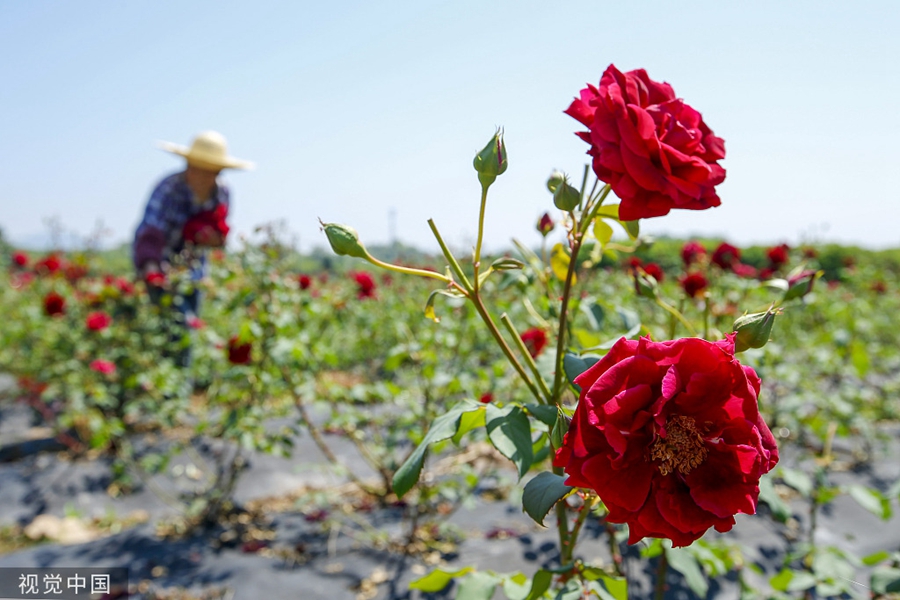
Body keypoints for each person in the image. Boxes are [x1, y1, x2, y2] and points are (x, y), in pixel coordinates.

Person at [133, 130, 253, 366]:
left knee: (188, 330)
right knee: (171, 328)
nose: (202, 176)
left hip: (195, 271)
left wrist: (212, 239)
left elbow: (220, 235)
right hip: (160, 265)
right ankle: (163, 385)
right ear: (187, 165)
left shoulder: (222, 193)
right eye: (198, 168)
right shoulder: (169, 189)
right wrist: (151, 270)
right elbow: (150, 233)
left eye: (210, 170)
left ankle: (178, 389)